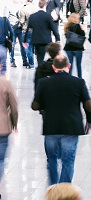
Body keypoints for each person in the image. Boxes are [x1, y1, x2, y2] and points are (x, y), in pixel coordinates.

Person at [31, 55, 91, 185]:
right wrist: (90, 121)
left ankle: (53, 188)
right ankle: (64, 191)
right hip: (71, 127)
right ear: (69, 66)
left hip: (51, 127)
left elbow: (36, 105)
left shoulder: (44, 82)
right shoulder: (78, 82)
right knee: (68, 160)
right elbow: (88, 104)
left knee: (52, 160)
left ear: (53, 67)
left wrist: (44, 105)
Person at [0, 46, 18, 184]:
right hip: (2, 128)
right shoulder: (6, 83)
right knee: (0, 160)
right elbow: (14, 107)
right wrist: (14, 124)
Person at [23, 0, 60, 66]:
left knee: (39, 57)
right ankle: (42, 70)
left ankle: (40, 69)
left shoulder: (32, 16)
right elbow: (53, 28)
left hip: (36, 40)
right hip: (46, 40)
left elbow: (28, 29)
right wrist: (57, 39)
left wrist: (25, 40)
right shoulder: (48, 16)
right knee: (44, 56)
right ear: (45, 6)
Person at [7, 3, 31, 68]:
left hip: (20, 27)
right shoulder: (8, 5)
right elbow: (6, 18)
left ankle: (25, 61)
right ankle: (12, 61)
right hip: (12, 27)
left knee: (23, 45)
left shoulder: (22, 5)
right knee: (12, 45)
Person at [63, 13, 85, 79]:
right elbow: (83, 34)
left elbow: (66, 36)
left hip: (69, 47)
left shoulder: (67, 26)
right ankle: (80, 78)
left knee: (70, 64)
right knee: (78, 65)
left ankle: (69, 78)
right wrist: (82, 29)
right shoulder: (78, 26)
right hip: (77, 48)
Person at [19, 0, 37, 69]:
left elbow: (22, 21)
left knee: (28, 48)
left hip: (26, 31)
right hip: (35, 31)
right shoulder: (36, 8)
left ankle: (31, 63)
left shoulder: (24, 9)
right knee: (34, 48)